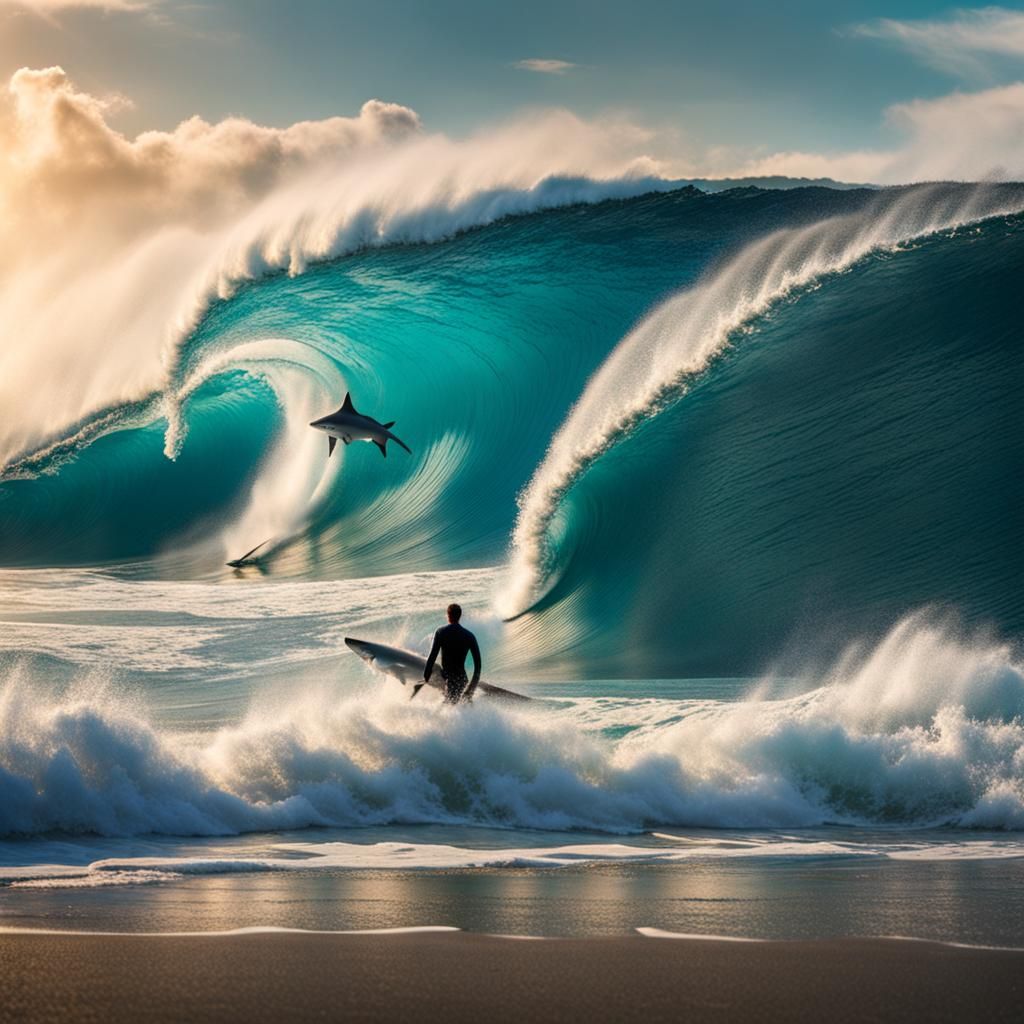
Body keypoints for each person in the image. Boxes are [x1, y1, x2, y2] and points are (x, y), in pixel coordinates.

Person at [424, 603, 482, 704]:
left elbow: (432, 657)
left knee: (448, 711)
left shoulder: (440, 632)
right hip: (463, 681)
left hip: (447, 680)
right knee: (463, 710)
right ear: (460, 616)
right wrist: (471, 688)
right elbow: (478, 666)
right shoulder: (469, 636)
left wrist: (426, 677)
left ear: (448, 615)